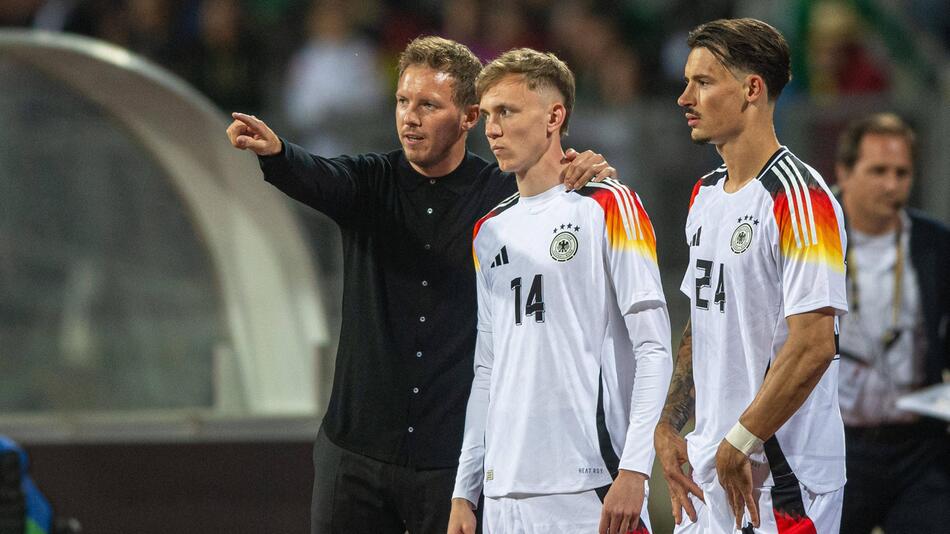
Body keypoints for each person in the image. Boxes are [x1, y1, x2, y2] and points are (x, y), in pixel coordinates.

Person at [225, 36, 613, 534]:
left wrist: (586, 172)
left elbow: (557, 193)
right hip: (355, 456)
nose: (409, 116)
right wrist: (277, 153)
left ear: (471, 117)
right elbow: (315, 175)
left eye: (428, 105)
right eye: (403, 102)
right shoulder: (370, 183)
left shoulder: (502, 195)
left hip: (452, 468)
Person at [446, 48, 672, 534]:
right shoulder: (489, 231)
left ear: (554, 116)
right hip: (503, 490)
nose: (492, 128)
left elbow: (654, 347)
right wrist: (465, 490)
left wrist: (635, 468)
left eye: (506, 111)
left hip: (588, 484)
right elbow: (486, 366)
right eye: (486, 115)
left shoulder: (608, 204)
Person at [653, 18, 848, 533]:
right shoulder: (705, 194)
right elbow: (703, 317)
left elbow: (814, 344)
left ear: (751, 89)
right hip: (712, 465)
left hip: (780, 478)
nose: (684, 97)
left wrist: (742, 439)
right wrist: (670, 425)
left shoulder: (800, 197)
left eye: (703, 81)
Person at [834, 112, 950, 533]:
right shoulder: (811, 239)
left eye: (902, 172)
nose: (891, 184)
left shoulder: (934, 243)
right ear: (844, 173)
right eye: (878, 170)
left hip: (919, 448)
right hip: (836, 447)